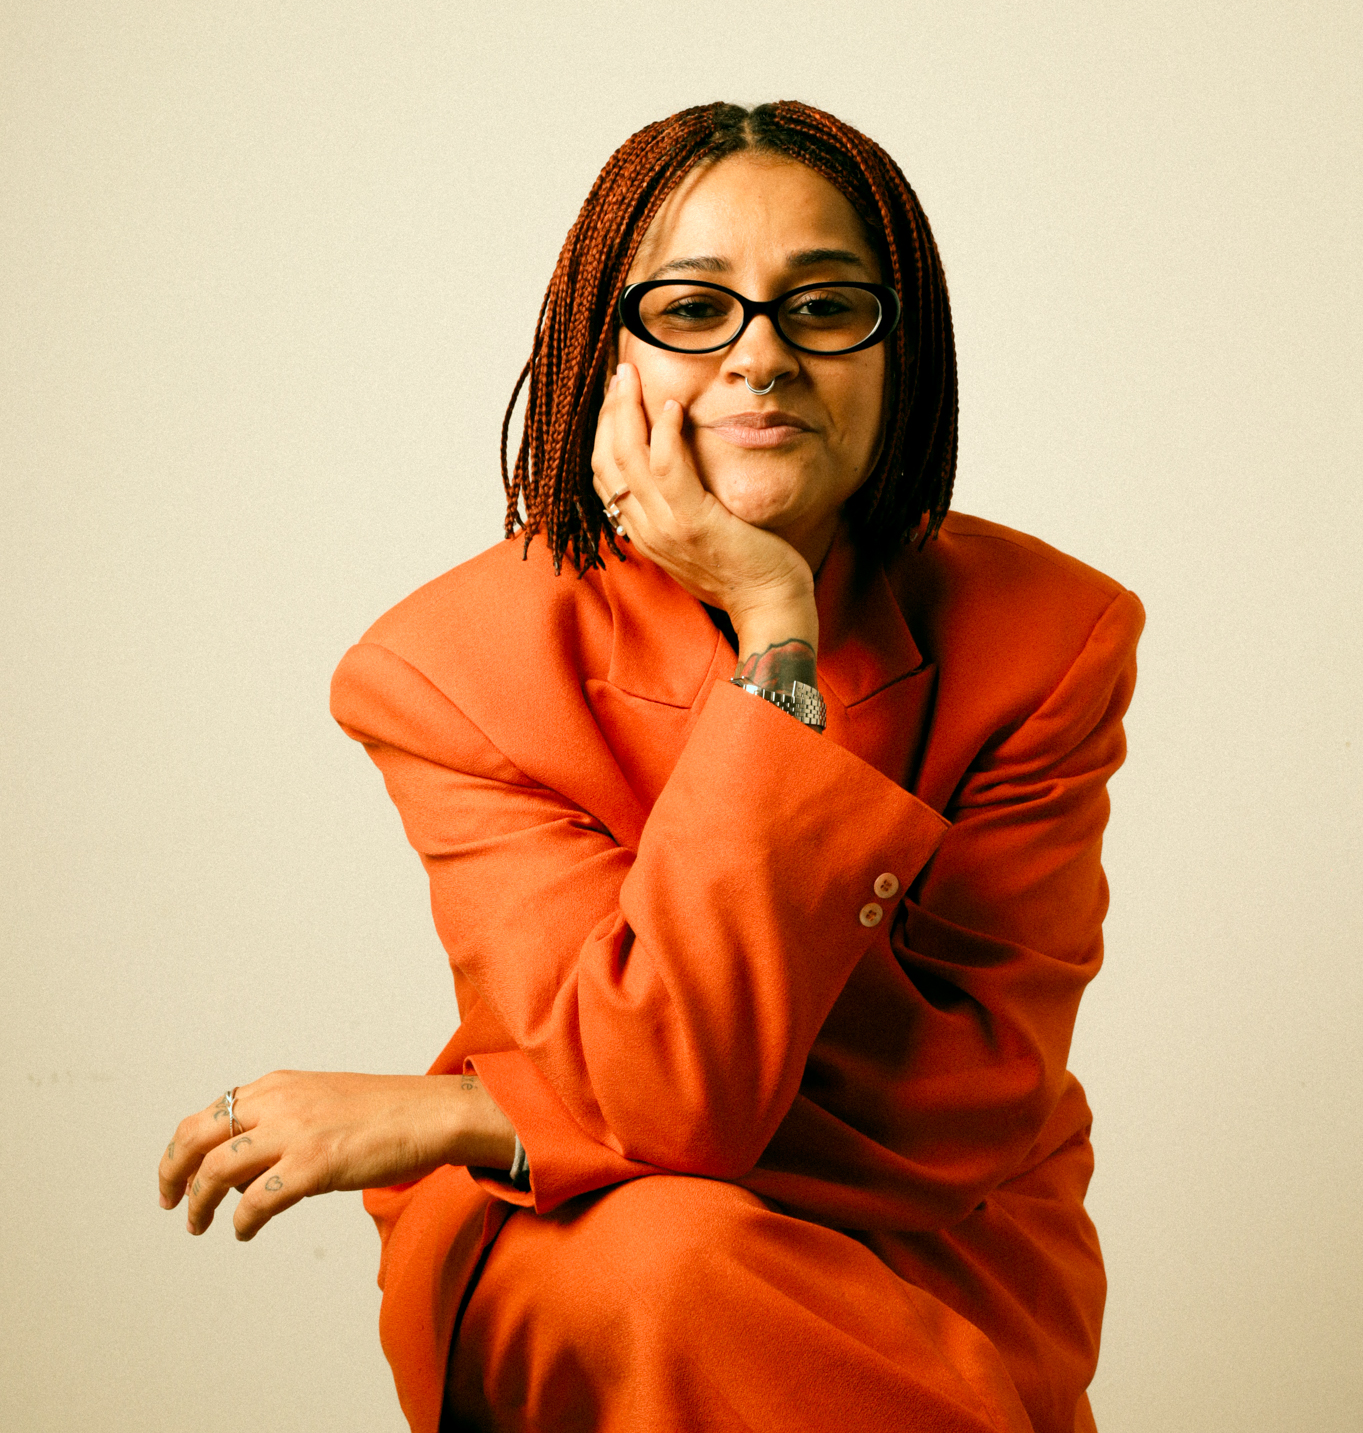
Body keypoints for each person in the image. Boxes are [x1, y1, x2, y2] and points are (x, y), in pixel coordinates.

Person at [158, 100, 1143, 1433]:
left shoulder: (1050, 640)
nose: (762, 357)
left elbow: (966, 1105)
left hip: (936, 1252)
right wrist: (776, 644)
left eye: (826, 307)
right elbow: (670, 1100)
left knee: (690, 1252)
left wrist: (474, 1116)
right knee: (664, 1258)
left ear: (900, 351)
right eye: (691, 309)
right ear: (600, 355)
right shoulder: (448, 670)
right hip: (581, 1239)